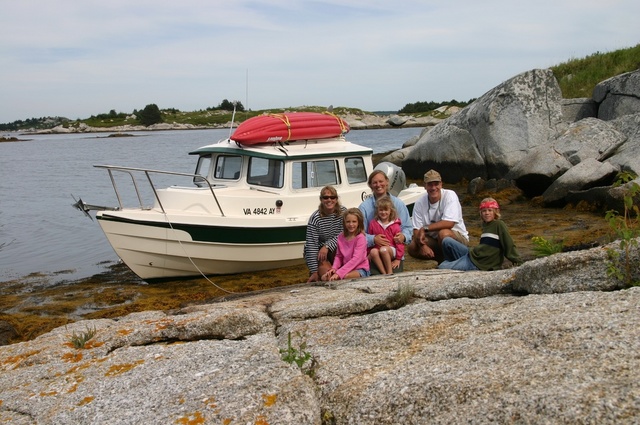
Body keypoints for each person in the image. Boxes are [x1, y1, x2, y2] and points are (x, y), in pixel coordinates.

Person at [438, 197, 523, 271]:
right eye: (484, 211)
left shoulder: (499, 224)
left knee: (442, 266)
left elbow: (509, 245)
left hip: (479, 264)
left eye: (490, 210)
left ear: (495, 212)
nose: (487, 213)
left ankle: (454, 264)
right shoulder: (485, 225)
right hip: (473, 255)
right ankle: (454, 263)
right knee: (446, 241)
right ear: (481, 213)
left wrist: (519, 263)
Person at [408, 169, 468, 263]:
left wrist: (425, 228)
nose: (433, 187)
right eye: (430, 184)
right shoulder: (420, 202)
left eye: (436, 184)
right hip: (435, 241)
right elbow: (416, 229)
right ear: (425, 186)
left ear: (441, 184)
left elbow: (449, 223)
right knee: (412, 246)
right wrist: (422, 246)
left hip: (457, 237)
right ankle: (441, 259)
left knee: (443, 233)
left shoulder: (450, 195)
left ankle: (452, 260)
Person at [359, 170, 412, 273]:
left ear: (387, 182)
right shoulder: (364, 207)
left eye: (381, 181)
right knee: (374, 279)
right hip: (374, 254)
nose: (378, 185)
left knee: (395, 280)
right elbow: (359, 234)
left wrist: (403, 236)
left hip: (394, 253)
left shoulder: (398, 203)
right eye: (374, 182)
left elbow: (408, 228)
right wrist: (373, 239)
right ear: (370, 185)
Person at [304, 186, 347, 282]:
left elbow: (346, 233)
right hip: (320, 252)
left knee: (342, 275)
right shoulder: (315, 218)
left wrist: (327, 246)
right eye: (326, 197)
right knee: (327, 276)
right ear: (321, 199)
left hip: (336, 248)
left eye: (332, 197)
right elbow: (311, 245)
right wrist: (314, 271)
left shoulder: (344, 212)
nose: (329, 200)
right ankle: (317, 272)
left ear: (336, 199)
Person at [322, 208, 370, 281]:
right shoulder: (341, 237)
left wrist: (339, 273)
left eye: (354, 222)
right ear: (344, 223)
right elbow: (339, 256)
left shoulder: (361, 238)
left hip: (360, 269)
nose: (351, 224)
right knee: (325, 277)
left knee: (345, 277)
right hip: (345, 268)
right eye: (348, 222)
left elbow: (356, 259)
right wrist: (334, 268)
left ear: (359, 223)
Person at [367, 196, 404, 274]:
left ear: (390, 211)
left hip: (391, 249)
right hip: (378, 249)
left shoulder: (395, 225)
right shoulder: (373, 224)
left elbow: (399, 243)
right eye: (381, 210)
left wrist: (398, 258)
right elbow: (370, 241)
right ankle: (384, 273)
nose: (383, 212)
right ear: (377, 211)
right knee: (373, 252)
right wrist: (369, 252)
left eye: (386, 210)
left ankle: (390, 272)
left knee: (384, 250)